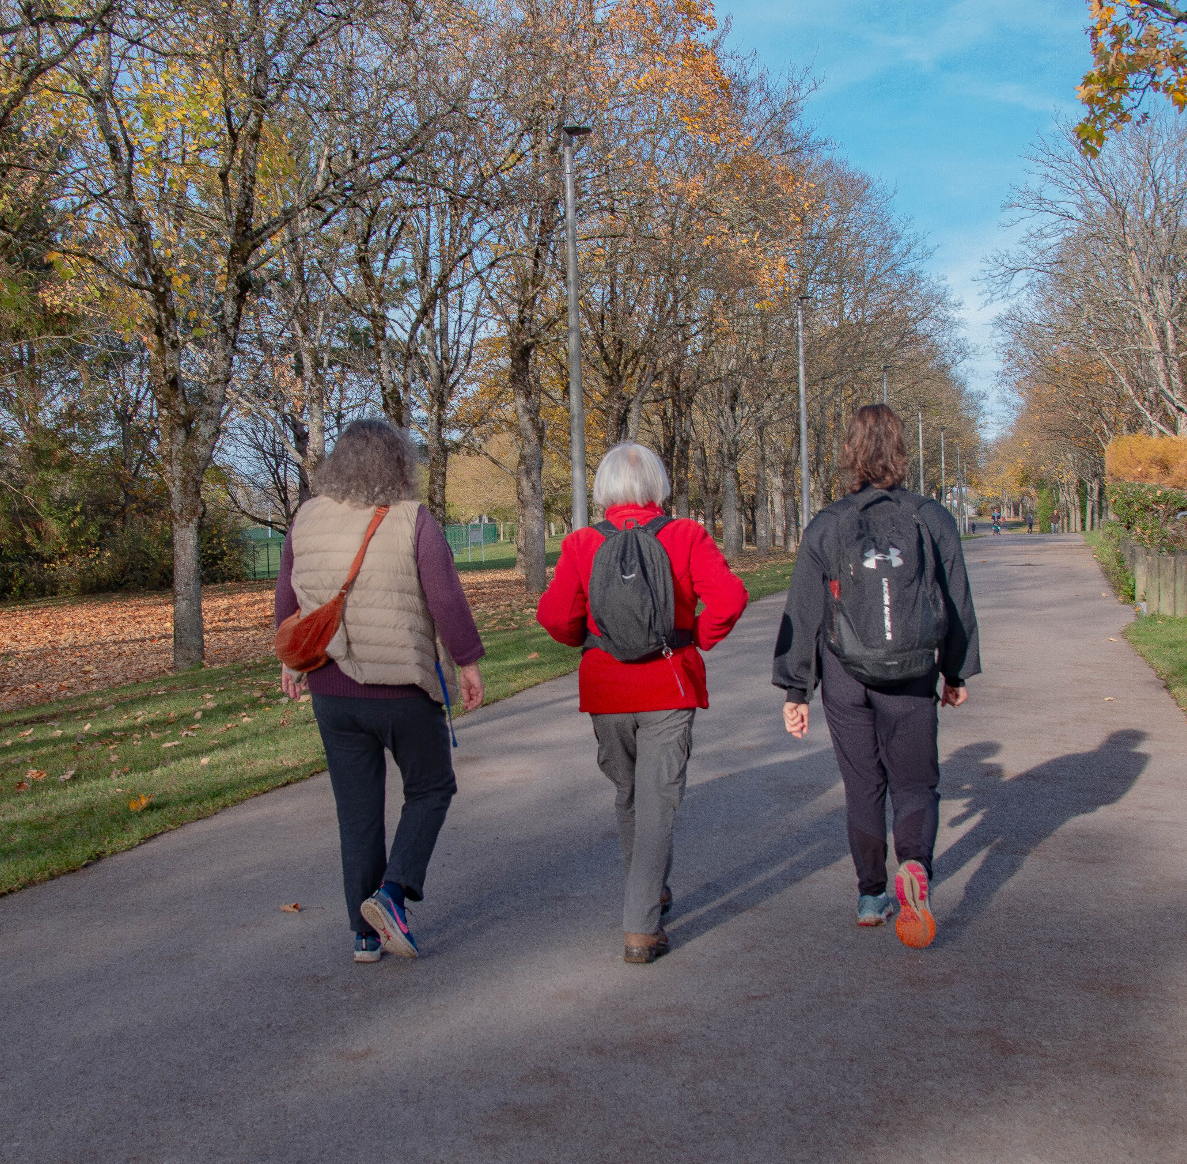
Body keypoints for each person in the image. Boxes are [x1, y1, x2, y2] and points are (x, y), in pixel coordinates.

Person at [275, 420, 485, 964]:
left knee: (357, 811)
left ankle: (364, 936)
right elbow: (445, 598)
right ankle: (390, 896)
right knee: (432, 788)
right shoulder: (413, 519)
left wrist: (290, 664)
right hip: (403, 689)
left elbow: (289, 597)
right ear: (399, 464)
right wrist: (466, 661)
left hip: (331, 688)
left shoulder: (305, 518)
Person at [772, 404, 980, 948]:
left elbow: (805, 610)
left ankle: (870, 893)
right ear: (901, 450)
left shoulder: (828, 525)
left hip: (847, 676)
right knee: (916, 781)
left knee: (864, 785)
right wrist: (955, 672)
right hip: (912, 673)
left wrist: (798, 689)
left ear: (849, 454)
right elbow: (955, 602)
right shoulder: (930, 518)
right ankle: (914, 868)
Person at [536, 442, 749, 964]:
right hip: (668, 684)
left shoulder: (582, 543)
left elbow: (556, 617)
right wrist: (696, 635)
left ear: (604, 488)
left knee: (630, 797)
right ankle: (640, 926)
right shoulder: (685, 534)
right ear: (658, 487)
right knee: (658, 803)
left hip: (606, 689)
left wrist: (590, 646)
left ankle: (648, 893)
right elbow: (730, 597)